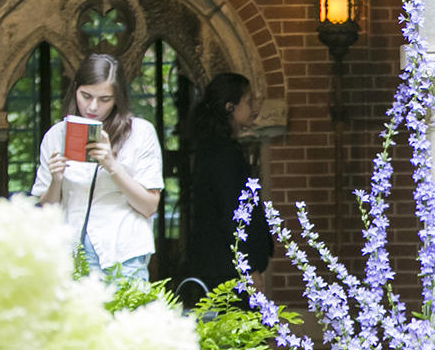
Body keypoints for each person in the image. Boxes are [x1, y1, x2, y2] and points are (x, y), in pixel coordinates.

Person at [32, 54, 164, 283]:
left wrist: (113, 166)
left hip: (123, 255)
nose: (93, 107)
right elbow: (45, 211)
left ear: (117, 98)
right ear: (75, 90)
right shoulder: (56, 135)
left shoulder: (141, 133)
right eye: (86, 96)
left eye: (104, 99)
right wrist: (56, 179)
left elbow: (149, 205)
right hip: (69, 255)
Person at [181, 72, 273, 305]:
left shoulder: (213, 149)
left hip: (221, 264)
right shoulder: (223, 154)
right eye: (249, 101)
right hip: (227, 269)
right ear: (230, 106)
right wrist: (249, 267)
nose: (254, 109)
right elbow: (234, 214)